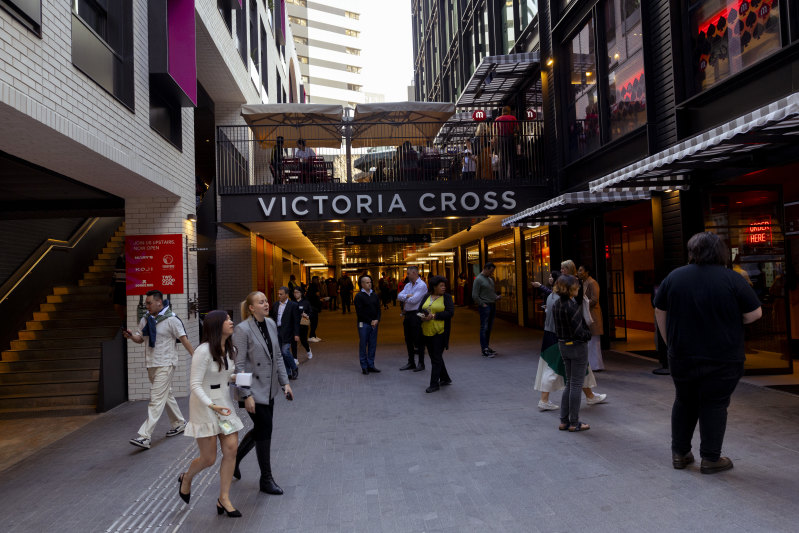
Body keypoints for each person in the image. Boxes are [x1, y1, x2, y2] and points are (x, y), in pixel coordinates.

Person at [654, 232, 762, 474]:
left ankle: (680, 454)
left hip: (682, 355)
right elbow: (755, 313)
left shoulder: (675, 277)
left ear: (692, 252)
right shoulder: (732, 279)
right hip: (723, 356)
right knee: (714, 404)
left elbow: (659, 309)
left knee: (684, 400)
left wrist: (668, 341)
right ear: (720, 252)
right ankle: (711, 459)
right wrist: (729, 320)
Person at [178, 310, 243, 517]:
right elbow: (195, 384)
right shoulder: (203, 351)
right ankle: (187, 478)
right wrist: (210, 405)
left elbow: (225, 376)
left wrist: (241, 379)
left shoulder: (231, 348)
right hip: (204, 407)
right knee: (208, 458)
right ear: (216, 325)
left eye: (230, 319)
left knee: (231, 449)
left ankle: (223, 498)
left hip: (224, 405)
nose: (231, 322)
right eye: (227, 320)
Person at [232, 292, 293, 494]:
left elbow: (277, 356)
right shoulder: (242, 330)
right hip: (252, 390)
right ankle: (266, 479)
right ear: (251, 307)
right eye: (261, 302)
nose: (266, 304)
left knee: (261, 429)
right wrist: (246, 394)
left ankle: (234, 460)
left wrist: (285, 383)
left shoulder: (271, 324)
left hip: (269, 389)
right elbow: (239, 366)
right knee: (264, 430)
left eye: (266, 300)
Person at [123, 290, 193, 449]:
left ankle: (144, 436)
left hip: (166, 364)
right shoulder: (146, 319)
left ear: (159, 302)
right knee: (166, 394)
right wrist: (130, 336)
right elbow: (140, 339)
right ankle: (179, 422)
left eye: (149, 303)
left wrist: (196, 357)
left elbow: (184, 340)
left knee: (156, 399)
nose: (146, 306)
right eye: (146, 303)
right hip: (151, 364)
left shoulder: (172, 320)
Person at [532, 272, 606, 410]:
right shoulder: (566, 303)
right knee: (555, 370)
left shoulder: (552, 297)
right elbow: (574, 326)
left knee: (569, 369)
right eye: (576, 286)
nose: (578, 289)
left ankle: (589, 396)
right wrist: (584, 335)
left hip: (552, 336)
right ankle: (548, 402)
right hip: (562, 339)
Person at [552, 275, 592, 432]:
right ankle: (574, 422)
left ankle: (564, 420)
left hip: (563, 344)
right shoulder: (571, 305)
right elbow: (579, 331)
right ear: (569, 289)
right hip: (577, 346)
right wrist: (588, 335)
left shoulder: (556, 304)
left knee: (569, 382)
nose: (578, 288)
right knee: (576, 384)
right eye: (576, 286)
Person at [419, 276, 455, 393]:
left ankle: (434, 384)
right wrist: (422, 317)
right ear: (434, 287)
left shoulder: (447, 298)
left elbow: (450, 313)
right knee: (435, 356)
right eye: (441, 285)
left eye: (444, 285)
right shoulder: (426, 296)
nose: (444, 287)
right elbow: (419, 311)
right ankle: (445, 378)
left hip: (440, 332)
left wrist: (434, 316)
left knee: (436, 357)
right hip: (427, 331)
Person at [397, 265, 429, 371]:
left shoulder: (421, 285)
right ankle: (411, 362)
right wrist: (408, 296)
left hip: (417, 313)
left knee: (418, 339)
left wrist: (407, 297)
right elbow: (399, 296)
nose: (407, 275)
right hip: (408, 314)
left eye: (408, 273)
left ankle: (421, 363)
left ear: (415, 273)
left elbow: (414, 300)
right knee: (408, 339)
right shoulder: (408, 285)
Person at [577, 264, 605, 371]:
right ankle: (591, 365)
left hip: (593, 315)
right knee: (589, 342)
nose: (579, 273)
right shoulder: (583, 283)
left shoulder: (592, 283)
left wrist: (583, 303)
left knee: (594, 342)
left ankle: (596, 365)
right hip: (587, 314)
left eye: (580, 270)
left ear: (587, 272)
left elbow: (594, 299)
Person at [269, 286, 300, 380]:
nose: (279, 296)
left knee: (285, 351)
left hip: (287, 332)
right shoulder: (275, 305)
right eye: (278, 294)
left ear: (287, 295)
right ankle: (287, 373)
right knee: (281, 354)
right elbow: (271, 318)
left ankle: (294, 368)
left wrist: (297, 334)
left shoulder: (293, 305)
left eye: (281, 294)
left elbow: (296, 321)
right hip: (276, 331)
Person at [353, 274, 381, 374]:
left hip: (374, 324)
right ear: (362, 284)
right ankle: (364, 366)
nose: (370, 284)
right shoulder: (359, 296)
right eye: (367, 283)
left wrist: (377, 319)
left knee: (372, 344)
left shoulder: (374, 295)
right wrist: (371, 321)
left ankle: (371, 365)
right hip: (363, 324)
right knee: (363, 344)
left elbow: (378, 309)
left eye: (370, 282)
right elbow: (360, 313)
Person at [472, 262, 499, 358]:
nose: (492, 273)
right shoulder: (478, 279)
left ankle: (487, 346)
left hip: (492, 305)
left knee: (489, 328)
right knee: (484, 327)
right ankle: (484, 349)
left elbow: (491, 293)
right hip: (485, 306)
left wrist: (496, 297)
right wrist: (482, 304)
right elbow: (474, 295)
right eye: (491, 271)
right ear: (486, 269)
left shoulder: (490, 280)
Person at [494, 106, 518, 180]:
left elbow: (495, 132)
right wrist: (515, 134)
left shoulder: (497, 119)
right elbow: (517, 129)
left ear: (502, 111)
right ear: (509, 111)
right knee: (512, 158)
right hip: (511, 138)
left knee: (503, 159)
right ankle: (512, 177)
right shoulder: (513, 118)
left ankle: (502, 177)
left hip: (501, 139)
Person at [292, 286, 313, 361]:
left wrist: (307, 315)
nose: (295, 294)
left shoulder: (306, 302)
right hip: (294, 325)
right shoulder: (292, 302)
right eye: (294, 292)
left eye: (297, 292)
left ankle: (308, 350)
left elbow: (311, 312)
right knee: (293, 342)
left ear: (301, 293)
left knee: (303, 341)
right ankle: (295, 358)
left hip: (303, 325)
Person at [306, 276, 323, 341]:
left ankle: (314, 335)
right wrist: (318, 298)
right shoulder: (313, 287)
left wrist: (320, 299)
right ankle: (311, 336)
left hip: (313, 307)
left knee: (314, 322)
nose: (318, 281)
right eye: (317, 280)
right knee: (314, 323)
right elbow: (313, 297)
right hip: (313, 307)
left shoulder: (313, 287)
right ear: (314, 280)